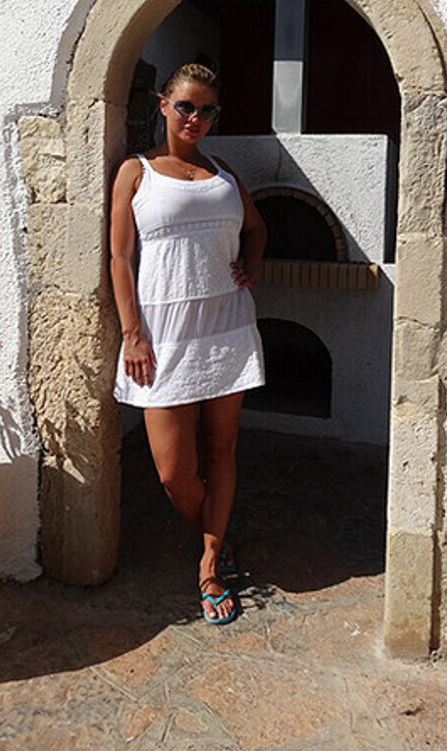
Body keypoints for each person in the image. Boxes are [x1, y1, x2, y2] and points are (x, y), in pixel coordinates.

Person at [110, 63, 266, 625]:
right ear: (163, 105)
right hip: (163, 336)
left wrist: (251, 266)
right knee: (174, 472)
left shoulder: (224, 173)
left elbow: (256, 228)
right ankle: (214, 532)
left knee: (222, 452)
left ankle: (209, 564)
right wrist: (132, 333)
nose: (195, 118)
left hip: (227, 326)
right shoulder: (137, 172)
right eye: (185, 106)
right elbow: (120, 257)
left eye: (206, 110)